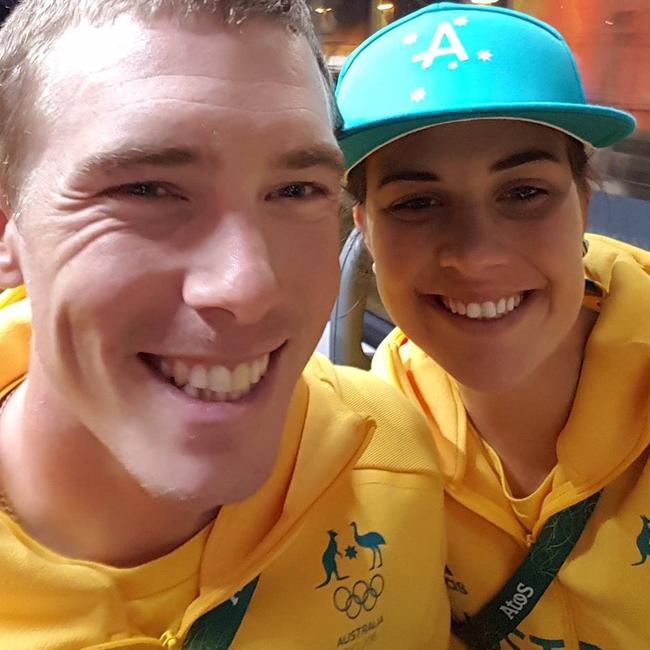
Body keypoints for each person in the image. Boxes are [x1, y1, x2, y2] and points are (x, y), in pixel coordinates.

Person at [0, 1, 450, 647]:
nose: (247, 286)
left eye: (297, 191)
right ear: (8, 226)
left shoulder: (387, 456)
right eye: (147, 189)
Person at [336, 3, 648, 649]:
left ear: (584, 200)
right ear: (364, 230)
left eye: (524, 193)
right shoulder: (365, 438)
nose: (476, 254)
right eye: (417, 203)